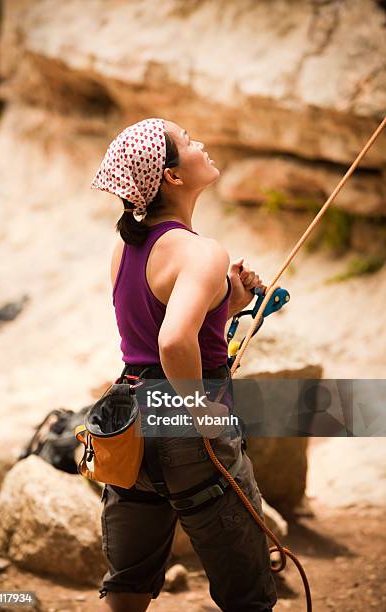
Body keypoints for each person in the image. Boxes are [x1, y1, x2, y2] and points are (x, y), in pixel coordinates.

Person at [91, 118, 278, 611]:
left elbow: (152, 331)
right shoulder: (202, 251)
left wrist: (226, 303)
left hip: (128, 422)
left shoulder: (124, 248)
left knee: (128, 584)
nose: (202, 143)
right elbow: (173, 342)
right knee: (248, 595)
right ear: (171, 176)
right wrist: (204, 412)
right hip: (181, 426)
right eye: (189, 141)